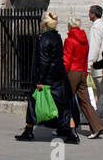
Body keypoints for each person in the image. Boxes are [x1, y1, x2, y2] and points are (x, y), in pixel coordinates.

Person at [15, 11, 78, 144]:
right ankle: (72, 133)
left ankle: (29, 130)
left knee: (33, 101)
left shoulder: (44, 39)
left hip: (48, 77)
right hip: (59, 76)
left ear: (44, 24)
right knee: (63, 105)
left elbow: (44, 61)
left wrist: (40, 80)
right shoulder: (57, 37)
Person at [63, 17, 103, 139]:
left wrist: (63, 74)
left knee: (66, 100)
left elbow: (67, 59)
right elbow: (86, 57)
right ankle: (96, 127)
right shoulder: (84, 40)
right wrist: (85, 72)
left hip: (72, 72)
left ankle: (66, 128)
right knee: (85, 102)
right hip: (81, 72)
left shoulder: (69, 40)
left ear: (70, 26)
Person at [87, 5, 103, 116]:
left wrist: (89, 64)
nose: (88, 14)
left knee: (98, 93)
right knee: (95, 94)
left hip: (97, 65)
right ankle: (90, 116)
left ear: (93, 14)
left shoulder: (95, 28)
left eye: (89, 12)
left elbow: (94, 47)